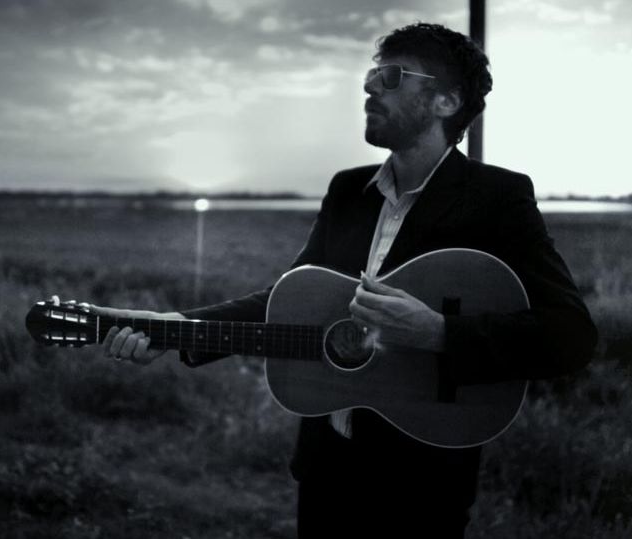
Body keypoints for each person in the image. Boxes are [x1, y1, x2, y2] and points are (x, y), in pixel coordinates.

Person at [86, 22, 597, 538]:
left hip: (423, 489)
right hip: (326, 474)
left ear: (445, 101)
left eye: (391, 76)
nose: (370, 87)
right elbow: (289, 299)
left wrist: (439, 332)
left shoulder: (497, 198)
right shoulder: (349, 190)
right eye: (373, 74)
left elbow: (570, 336)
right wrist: (174, 328)